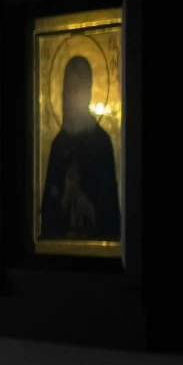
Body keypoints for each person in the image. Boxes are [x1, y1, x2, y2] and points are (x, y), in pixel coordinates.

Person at [39, 54, 121, 242]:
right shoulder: (58, 146)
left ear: (88, 92)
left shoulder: (101, 143)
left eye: (77, 88)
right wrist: (66, 195)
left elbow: (111, 217)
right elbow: (47, 221)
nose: (72, 96)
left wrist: (85, 204)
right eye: (68, 89)